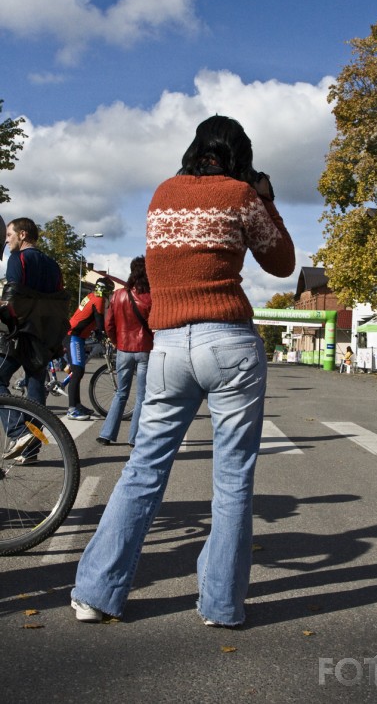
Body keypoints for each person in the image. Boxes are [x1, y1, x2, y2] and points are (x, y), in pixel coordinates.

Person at [71, 115, 295, 624]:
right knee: (233, 478)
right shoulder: (241, 196)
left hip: (168, 345)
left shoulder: (161, 194)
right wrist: (266, 198)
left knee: (144, 468)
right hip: (229, 342)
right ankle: (220, 605)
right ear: (240, 156)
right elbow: (282, 263)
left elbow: (159, 267)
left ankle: (96, 593)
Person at [0, 217, 66, 463]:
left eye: (9, 235)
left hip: (19, 333)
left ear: (23, 234)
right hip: (43, 334)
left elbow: (12, 296)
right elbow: (59, 299)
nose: (6, 241)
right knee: (36, 392)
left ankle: (18, 432)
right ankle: (30, 450)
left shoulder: (19, 258)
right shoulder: (53, 264)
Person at [96, 256, 153, 447]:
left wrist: (117, 342)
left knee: (121, 392)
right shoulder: (151, 296)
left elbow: (108, 324)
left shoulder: (118, 295)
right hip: (145, 349)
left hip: (123, 349)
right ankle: (134, 437)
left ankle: (106, 434)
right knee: (141, 396)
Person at [65, 275, 115, 420]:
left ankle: (78, 405)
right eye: (110, 292)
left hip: (76, 336)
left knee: (78, 371)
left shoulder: (91, 295)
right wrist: (105, 336)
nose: (110, 295)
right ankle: (72, 409)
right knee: (78, 371)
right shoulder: (98, 300)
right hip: (73, 336)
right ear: (105, 291)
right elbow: (100, 324)